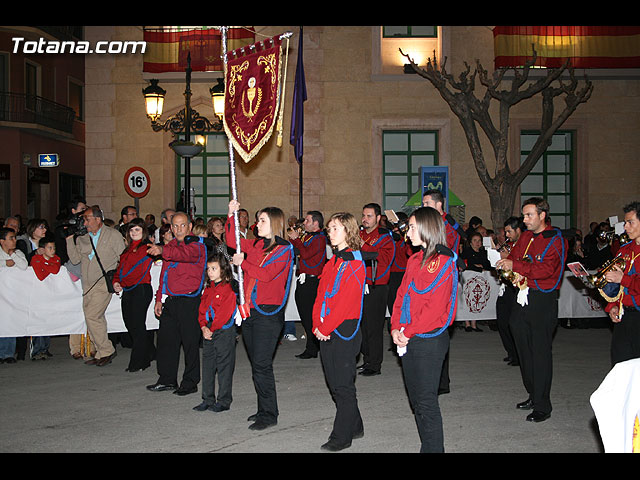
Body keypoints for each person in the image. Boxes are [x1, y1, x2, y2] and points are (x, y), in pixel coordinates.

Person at [390, 207, 460, 453]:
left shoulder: (443, 261)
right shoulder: (414, 259)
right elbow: (401, 296)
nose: (407, 233)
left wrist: (407, 332)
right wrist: (395, 327)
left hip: (428, 340)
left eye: (411, 227)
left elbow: (434, 310)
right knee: (417, 401)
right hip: (408, 335)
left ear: (426, 228)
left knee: (426, 402)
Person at [496, 197, 567, 423]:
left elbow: (546, 270)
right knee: (523, 350)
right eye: (524, 215)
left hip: (542, 300)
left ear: (542, 215)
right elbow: (516, 258)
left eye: (529, 215)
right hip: (522, 296)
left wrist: (515, 265)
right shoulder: (525, 237)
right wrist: (506, 263)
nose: (524, 220)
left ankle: (542, 404)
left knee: (540, 353)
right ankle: (533, 394)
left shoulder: (555, 239)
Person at [226, 199, 295, 431]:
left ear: (274, 223)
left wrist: (243, 263)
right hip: (250, 311)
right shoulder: (257, 244)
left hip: (267, 313)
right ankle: (263, 408)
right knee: (257, 364)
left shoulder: (284, 248)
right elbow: (231, 240)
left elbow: (266, 274)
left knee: (263, 364)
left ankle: (269, 413)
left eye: (262, 220)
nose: (258, 223)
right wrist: (230, 215)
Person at [313, 212, 368, 451]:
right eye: (329, 229)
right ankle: (354, 424)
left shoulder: (355, 263)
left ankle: (342, 436)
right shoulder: (333, 261)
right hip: (326, 325)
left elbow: (345, 303)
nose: (330, 232)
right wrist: (316, 324)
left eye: (335, 228)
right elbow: (321, 295)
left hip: (344, 327)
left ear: (348, 231)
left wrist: (325, 327)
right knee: (334, 383)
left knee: (343, 385)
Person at [146, 212, 207, 396]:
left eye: (182, 225)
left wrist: (163, 250)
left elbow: (185, 255)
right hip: (170, 301)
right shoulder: (170, 245)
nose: (179, 229)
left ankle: (190, 382)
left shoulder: (198, 245)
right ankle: (166, 379)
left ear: (189, 226)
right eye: (175, 226)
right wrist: (158, 299)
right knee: (166, 342)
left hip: (189, 301)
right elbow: (164, 275)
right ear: (171, 228)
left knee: (190, 344)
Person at [66, 206, 126, 367]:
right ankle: (101, 351)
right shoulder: (82, 238)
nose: (84, 223)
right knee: (95, 318)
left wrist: (120, 278)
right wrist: (69, 239)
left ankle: (106, 350)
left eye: (87, 219)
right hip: (87, 285)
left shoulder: (113, 235)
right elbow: (75, 259)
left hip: (103, 283)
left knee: (92, 316)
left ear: (97, 219)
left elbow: (124, 257)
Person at [422, 189, 465, 394]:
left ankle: (441, 381)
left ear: (439, 205)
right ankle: (433, 377)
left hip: (442, 280)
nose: (424, 207)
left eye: (428, 204)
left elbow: (442, 249)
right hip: (428, 279)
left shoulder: (447, 226)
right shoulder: (432, 224)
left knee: (439, 329)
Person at [193, 251, 238, 413]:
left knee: (224, 365)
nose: (210, 272)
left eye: (213, 269)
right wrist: (203, 326)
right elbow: (202, 309)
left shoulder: (229, 289)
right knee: (208, 365)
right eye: (208, 269)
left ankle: (224, 399)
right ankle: (207, 398)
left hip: (223, 330)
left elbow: (224, 313)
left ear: (223, 270)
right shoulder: (208, 289)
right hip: (209, 329)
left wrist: (211, 329)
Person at [112, 218, 156, 373]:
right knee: (130, 324)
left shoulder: (146, 248)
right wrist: (116, 281)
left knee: (137, 326)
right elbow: (120, 270)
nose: (134, 233)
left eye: (137, 230)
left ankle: (139, 362)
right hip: (129, 290)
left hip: (141, 289)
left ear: (143, 231)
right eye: (131, 230)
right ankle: (150, 352)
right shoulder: (127, 250)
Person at [358, 203, 395, 376]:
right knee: (363, 326)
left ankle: (375, 364)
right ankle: (367, 359)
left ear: (378, 218)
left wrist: (360, 244)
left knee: (373, 327)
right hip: (359, 285)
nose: (365, 219)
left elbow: (383, 260)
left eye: (369, 216)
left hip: (376, 286)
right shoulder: (360, 234)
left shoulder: (385, 237)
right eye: (364, 216)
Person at [602, 201, 640, 366]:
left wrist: (622, 278)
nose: (626, 227)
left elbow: (624, 281)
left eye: (630, 222)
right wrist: (613, 306)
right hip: (625, 315)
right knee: (620, 365)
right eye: (625, 223)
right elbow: (617, 288)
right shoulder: (624, 250)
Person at [288, 210, 327, 359]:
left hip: (312, 281)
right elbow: (299, 250)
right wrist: (293, 240)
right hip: (304, 279)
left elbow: (305, 254)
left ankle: (313, 347)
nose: (304, 223)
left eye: (308, 221)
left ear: (316, 223)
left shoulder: (320, 238)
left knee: (309, 316)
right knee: (305, 315)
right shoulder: (309, 237)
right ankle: (312, 346)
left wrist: (297, 239)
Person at [496, 216, 524, 367]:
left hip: (518, 288)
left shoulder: (524, 245)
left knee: (514, 323)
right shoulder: (510, 245)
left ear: (518, 230)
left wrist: (508, 258)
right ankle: (511, 352)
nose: (507, 235)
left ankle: (518, 355)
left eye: (509, 231)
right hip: (506, 286)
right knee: (502, 322)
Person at [28, 236, 61, 360]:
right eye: (50, 248)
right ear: (42, 249)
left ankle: (45, 348)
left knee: (47, 321)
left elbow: (55, 269)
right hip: (37, 295)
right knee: (38, 322)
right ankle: (36, 349)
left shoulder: (56, 258)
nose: (53, 250)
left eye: (54, 248)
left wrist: (45, 264)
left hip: (49, 295)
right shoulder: (36, 258)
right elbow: (40, 275)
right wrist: (46, 265)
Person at [0, 227, 28, 364]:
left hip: (12, 295)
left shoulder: (18, 253)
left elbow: (23, 266)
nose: (14, 240)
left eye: (14, 237)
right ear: (2, 241)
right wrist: (5, 263)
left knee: (9, 323)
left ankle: (8, 353)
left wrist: (13, 255)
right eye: (11, 238)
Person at [460, 231, 491, 332]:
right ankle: (467, 323)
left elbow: (488, 265)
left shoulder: (483, 253)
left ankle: (474, 323)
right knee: (468, 299)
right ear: (470, 242)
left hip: (480, 281)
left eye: (479, 241)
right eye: (475, 240)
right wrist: (478, 268)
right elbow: (466, 264)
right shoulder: (466, 252)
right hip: (468, 281)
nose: (477, 243)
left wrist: (481, 267)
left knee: (477, 299)